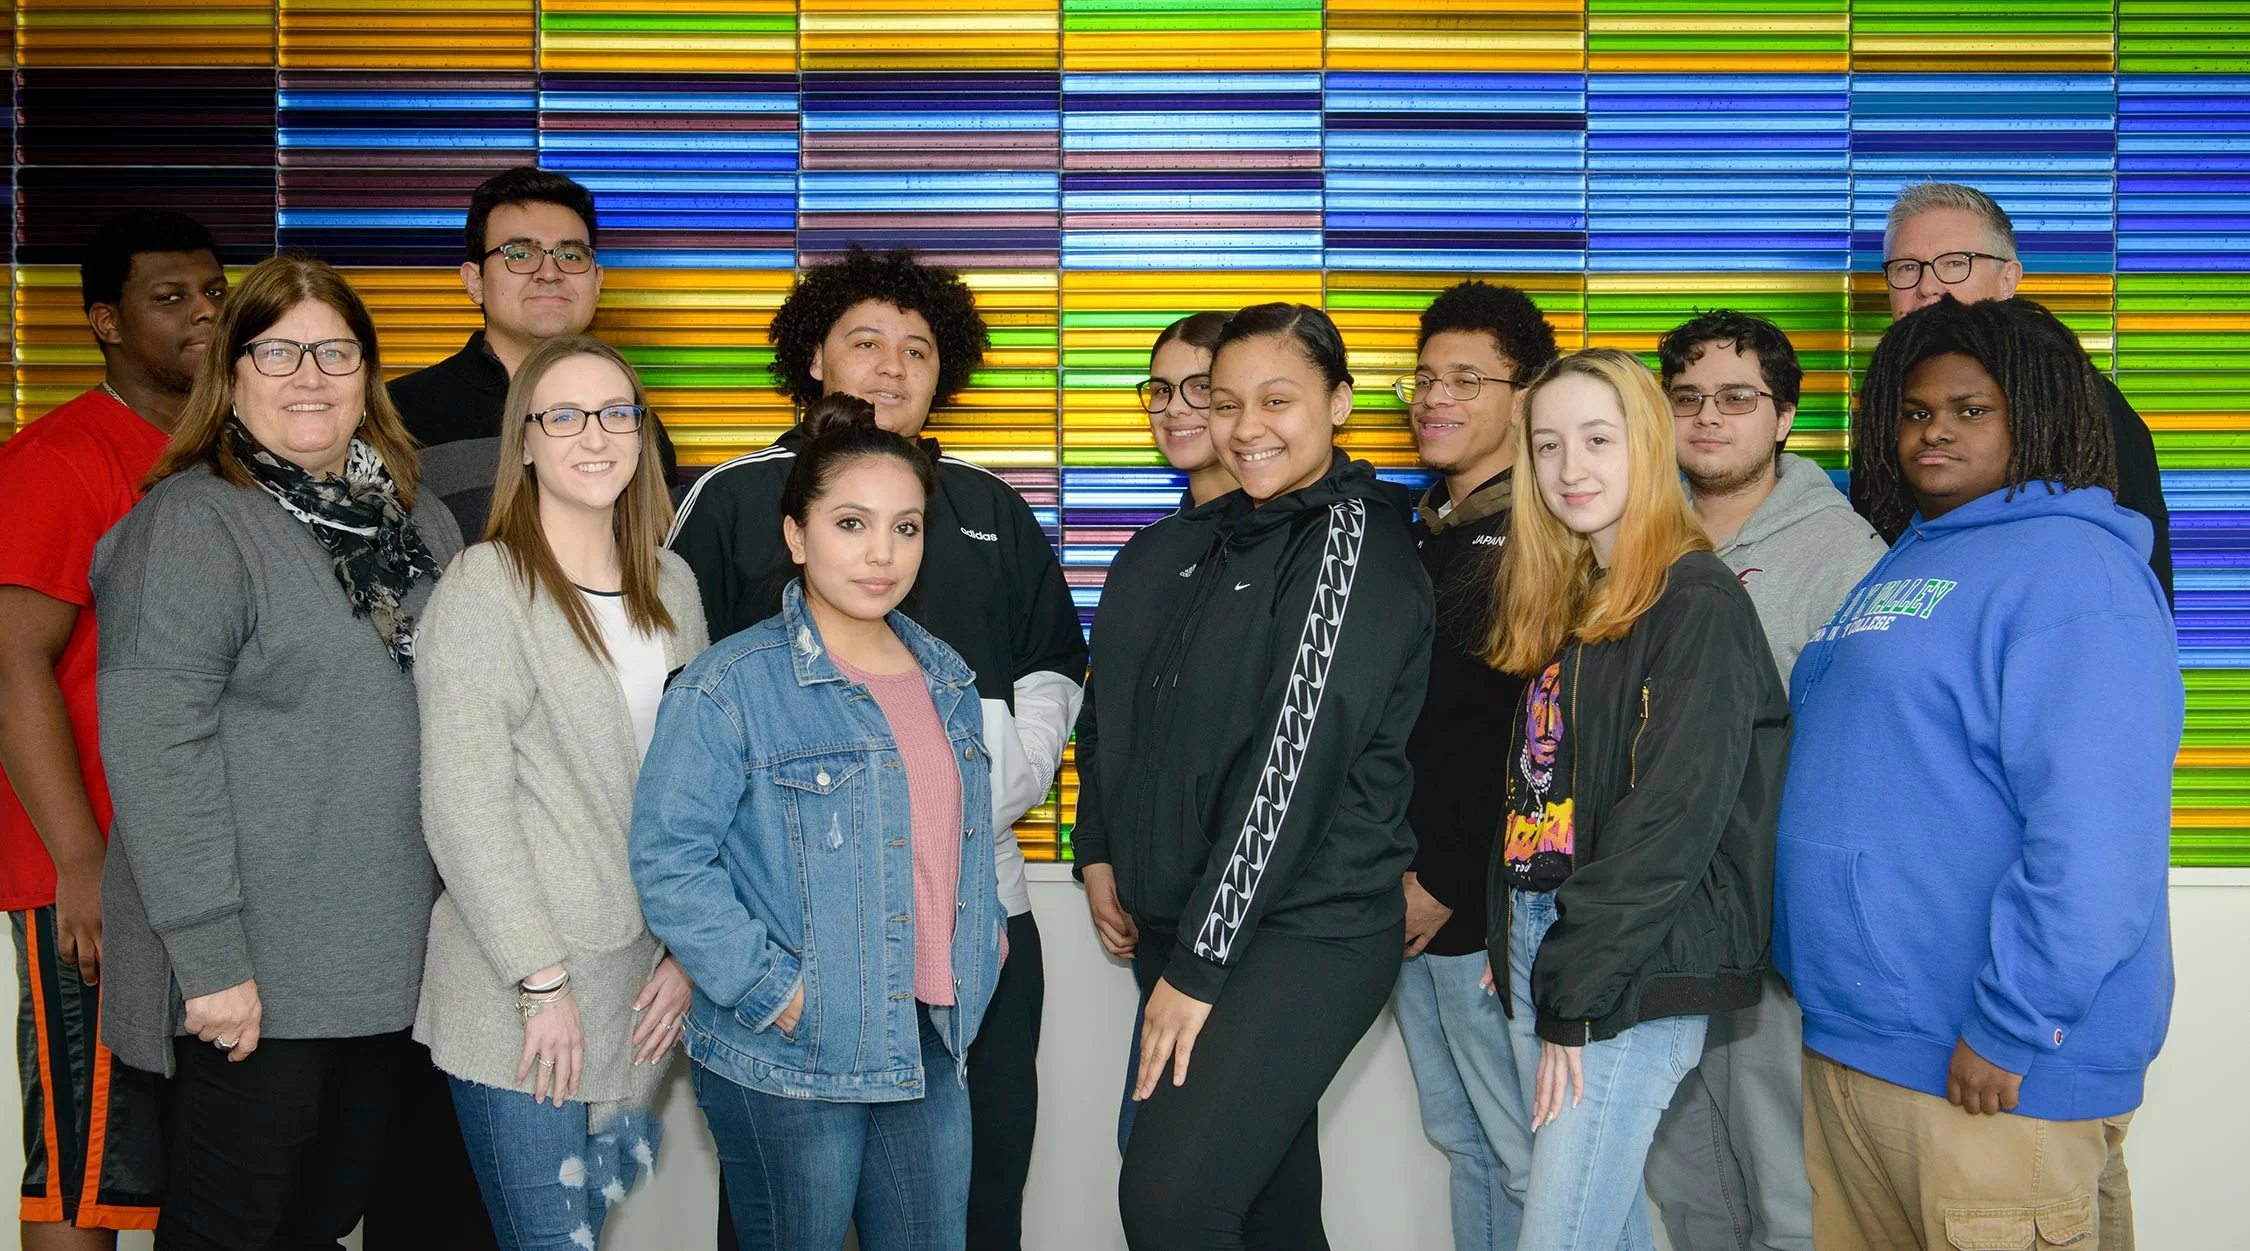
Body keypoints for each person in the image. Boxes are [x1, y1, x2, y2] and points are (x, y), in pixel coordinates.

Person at [669, 244, 1083, 1251]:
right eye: (866, 343)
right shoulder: (733, 498)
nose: (892, 368)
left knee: (974, 1193)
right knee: (785, 1208)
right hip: (793, 923)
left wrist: (970, 794)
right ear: (815, 358)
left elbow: (1053, 672)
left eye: (918, 350)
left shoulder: (991, 505)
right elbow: (676, 699)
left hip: (976, 912)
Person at [1779, 295, 2181, 1251]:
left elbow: (2097, 841)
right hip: (1862, 1041)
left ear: (2036, 416)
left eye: (1971, 409)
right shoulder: (1919, 556)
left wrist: (2010, 1025)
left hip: (1986, 1069)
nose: (1934, 432)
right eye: (1917, 411)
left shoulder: (2076, 575)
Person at [89, 255, 462, 1247]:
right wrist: (209, 962)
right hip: (250, 972)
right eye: (278, 350)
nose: (309, 374)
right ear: (234, 371)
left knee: (320, 1223)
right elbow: (156, 749)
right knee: (233, 1232)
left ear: (368, 371)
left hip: (386, 963)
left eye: (334, 350)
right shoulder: (193, 521)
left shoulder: (417, 518)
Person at [1073, 302, 1434, 1250]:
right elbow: (1126, 713)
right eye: (1224, 401)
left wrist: (1198, 963)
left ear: (1341, 404)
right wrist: (1104, 852)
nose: (1246, 425)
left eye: (1278, 399)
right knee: (1265, 1205)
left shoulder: (1350, 539)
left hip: (1300, 928)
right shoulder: (1219, 535)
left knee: (1172, 1203)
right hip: (1198, 918)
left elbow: (1294, 761)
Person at [630, 395, 1009, 1251]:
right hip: (795, 1052)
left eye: (906, 527)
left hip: (930, 1035)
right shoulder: (729, 684)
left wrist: (981, 934)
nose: (882, 552)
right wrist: (779, 994)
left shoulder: (946, 675)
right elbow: (669, 862)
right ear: (797, 536)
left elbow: (956, 834)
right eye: (851, 523)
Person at [1480, 347, 1789, 1251]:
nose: (1570, 468)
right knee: (1602, 1226)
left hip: (1627, 959)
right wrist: (1515, 927)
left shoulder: (1695, 600)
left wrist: (1575, 984)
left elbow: (1670, 823)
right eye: (1547, 446)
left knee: (1561, 1236)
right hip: (1552, 937)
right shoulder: (1580, 596)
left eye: (1597, 439)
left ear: (1648, 448)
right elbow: (1536, 792)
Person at [413, 335, 708, 1250]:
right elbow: (463, 801)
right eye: (565, 415)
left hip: (643, 995)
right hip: (524, 995)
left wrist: (690, 953)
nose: (596, 435)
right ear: (526, 442)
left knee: (577, 1227)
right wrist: (541, 983)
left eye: (619, 413)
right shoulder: (485, 585)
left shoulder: (674, 584)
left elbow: (702, 790)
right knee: (551, 1240)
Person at [0, 210, 223, 1249]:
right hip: (89, 873)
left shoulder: (220, 456)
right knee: (89, 1162)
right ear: (102, 321)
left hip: (190, 871)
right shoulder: (59, 457)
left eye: (214, 291)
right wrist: (77, 861)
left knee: (170, 1165)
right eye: (167, 297)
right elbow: (12, 661)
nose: (202, 314)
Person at [1642, 311, 1885, 1251]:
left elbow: (1854, 751)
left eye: (1738, 399)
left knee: (1784, 1176)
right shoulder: (1635, 534)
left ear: (1783, 417)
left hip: (1768, 921)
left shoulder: (1844, 556)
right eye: (1689, 398)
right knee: (1683, 1169)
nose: (1709, 418)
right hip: (1656, 909)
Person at [1390, 280, 1558, 1251]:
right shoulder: (1426, 534)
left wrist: (1447, 881)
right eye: (1424, 377)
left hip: (1481, 902)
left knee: (1522, 1147)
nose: (1435, 397)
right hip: (1408, 892)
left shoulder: (1535, 537)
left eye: (1466, 378)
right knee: (1463, 1136)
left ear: (1525, 397)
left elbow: (1513, 731)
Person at [1875, 180, 2171, 603]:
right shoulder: (1887, 409)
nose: (1927, 286)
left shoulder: (2082, 403)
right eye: (1907, 267)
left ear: (2008, 278)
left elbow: (2130, 579)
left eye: (1955, 263)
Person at [1098, 309, 1236, 1155]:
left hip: (1245, 926)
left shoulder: (1297, 548)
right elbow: (1104, 714)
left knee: (1177, 1166)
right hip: (1154, 919)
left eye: (1200, 388)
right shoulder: (1145, 554)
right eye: (1160, 388)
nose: (1175, 407)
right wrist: (1098, 853)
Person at [389, 166, 678, 539]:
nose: (549, 272)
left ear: (597, 281)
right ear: (474, 281)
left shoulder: (629, 420)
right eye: (521, 253)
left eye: (571, 256)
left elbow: (658, 557)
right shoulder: (399, 415)